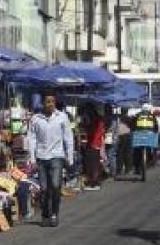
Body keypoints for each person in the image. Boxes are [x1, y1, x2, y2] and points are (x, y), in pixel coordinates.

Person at [27, 92, 74, 227]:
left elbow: (68, 138)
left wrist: (69, 157)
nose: (50, 104)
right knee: (44, 188)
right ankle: (45, 215)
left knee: (55, 185)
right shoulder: (36, 118)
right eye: (48, 102)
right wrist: (32, 158)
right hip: (41, 157)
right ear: (43, 103)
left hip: (57, 156)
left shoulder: (62, 117)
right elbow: (32, 139)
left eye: (52, 101)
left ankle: (54, 214)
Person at [82, 103, 105, 191]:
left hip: (94, 143)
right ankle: (94, 181)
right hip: (95, 143)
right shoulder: (99, 119)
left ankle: (94, 182)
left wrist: (85, 127)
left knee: (92, 164)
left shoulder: (95, 120)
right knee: (94, 163)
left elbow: (92, 131)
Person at [132, 104, 159, 173]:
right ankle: (149, 162)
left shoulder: (137, 115)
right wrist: (155, 132)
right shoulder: (152, 116)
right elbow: (156, 126)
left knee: (137, 150)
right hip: (149, 135)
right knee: (149, 148)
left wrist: (133, 130)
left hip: (139, 134)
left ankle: (137, 167)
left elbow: (132, 124)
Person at [116, 108, 133, 176]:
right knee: (128, 153)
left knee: (120, 153)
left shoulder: (118, 118)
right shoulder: (128, 118)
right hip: (128, 135)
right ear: (127, 111)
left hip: (121, 136)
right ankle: (128, 169)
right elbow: (132, 126)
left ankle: (119, 169)